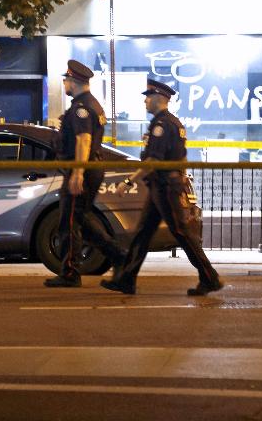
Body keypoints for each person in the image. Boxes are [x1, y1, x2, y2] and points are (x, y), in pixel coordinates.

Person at [101, 79, 222, 296]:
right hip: (162, 185)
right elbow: (180, 157)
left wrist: (127, 182)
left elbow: (152, 161)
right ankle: (126, 279)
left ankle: (209, 276)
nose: (145, 101)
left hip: (166, 187)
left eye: (148, 97)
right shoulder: (171, 122)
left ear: (159, 98)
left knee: (181, 233)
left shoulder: (162, 125)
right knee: (143, 233)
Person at [44, 59, 126, 287]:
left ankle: (70, 272)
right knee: (79, 218)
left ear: (74, 81)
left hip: (82, 169)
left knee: (69, 221)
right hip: (87, 168)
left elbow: (84, 140)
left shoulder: (82, 108)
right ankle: (118, 255)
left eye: (66, 80)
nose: (64, 83)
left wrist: (78, 173)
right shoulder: (91, 104)